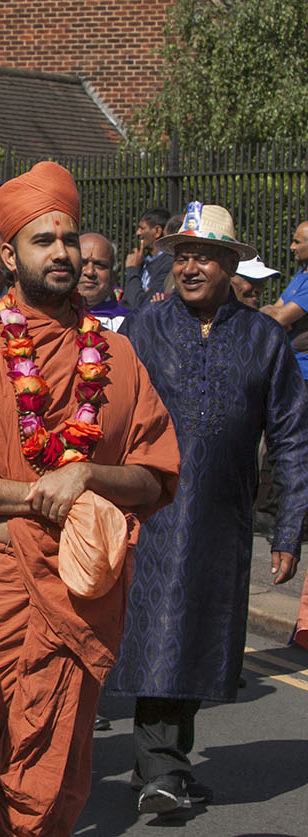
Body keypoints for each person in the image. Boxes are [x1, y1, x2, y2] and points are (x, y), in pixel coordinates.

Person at [0, 161, 180, 835]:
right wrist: (39, 495)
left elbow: (156, 475)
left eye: (70, 237)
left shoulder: (117, 358)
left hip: (81, 596)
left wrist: (86, 476)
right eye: (42, 240)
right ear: (8, 255)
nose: (62, 252)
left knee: (49, 774)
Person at [107, 203, 308, 815]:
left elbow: (293, 437)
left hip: (224, 518)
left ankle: (173, 762)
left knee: (201, 635)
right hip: (155, 509)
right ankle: (159, 769)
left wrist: (289, 530)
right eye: (182, 256)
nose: (189, 267)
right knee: (158, 632)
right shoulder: (145, 326)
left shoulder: (264, 338)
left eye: (204, 257)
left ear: (229, 264)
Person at [260, 218, 308, 379]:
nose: (292, 247)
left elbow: (278, 318)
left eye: (297, 242)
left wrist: (277, 314)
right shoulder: (301, 275)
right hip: (291, 367)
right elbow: (273, 314)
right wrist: (273, 312)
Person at [122, 207, 173, 309]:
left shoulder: (168, 264)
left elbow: (140, 305)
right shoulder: (142, 261)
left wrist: (132, 270)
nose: (138, 233)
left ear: (157, 231)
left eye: (142, 228)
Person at [80, 232, 131, 332]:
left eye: (100, 265)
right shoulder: (50, 318)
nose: (90, 272)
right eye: (82, 263)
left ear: (113, 276)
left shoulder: (128, 324)